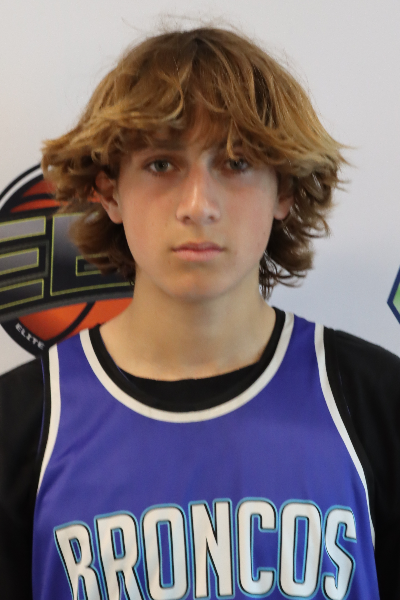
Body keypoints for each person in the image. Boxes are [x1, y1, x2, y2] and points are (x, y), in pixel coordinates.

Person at [1, 26, 399, 600]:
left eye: (236, 162)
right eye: (162, 164)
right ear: (109, 191)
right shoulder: (21, 424)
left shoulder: (376, 401)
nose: (198, 205)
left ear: (284, 190)